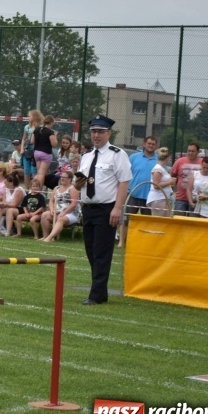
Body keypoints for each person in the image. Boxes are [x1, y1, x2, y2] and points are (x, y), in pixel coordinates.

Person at [74, 114, 132, 305]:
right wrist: (77, 184)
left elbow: (124, 182)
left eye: (100, 132)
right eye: (93, 132)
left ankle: (96, 295)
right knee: (91, 251)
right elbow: (79, 185)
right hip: (88, 208)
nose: (96, 135)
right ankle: (100, 291)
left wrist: (117, 208)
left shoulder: (117, 154)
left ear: (109, 133)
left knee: (101, 252)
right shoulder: (87, 156)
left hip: (107, 208)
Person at [119, 135, 158, 247]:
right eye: (149, 143)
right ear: (144, 144)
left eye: (153, 144)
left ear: (156, 146)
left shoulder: (158, 160)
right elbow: (126, 173)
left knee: (148, 222)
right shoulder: (134, 157)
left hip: (150, 196)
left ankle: (146, 243)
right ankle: (122, 242)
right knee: (125, 219)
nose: (150, 146)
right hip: (133, 193)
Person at [41, 171, 81, 242]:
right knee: (45, 215)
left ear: (70, 179)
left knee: (61, 219)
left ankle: (49, 238)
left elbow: (74, 203)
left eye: (64, 177)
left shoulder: (73, 189)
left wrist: (64, 212)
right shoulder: (56, 188)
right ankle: (45, 236)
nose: (62, 179)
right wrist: (52, 209)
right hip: (57, 211)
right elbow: (51, 201)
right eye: (61, 177)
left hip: (71, 213)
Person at [170, 142, 203, 216]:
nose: (190, 153)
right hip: (181, 198)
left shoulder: (202, 163)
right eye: (189, 151)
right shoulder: (179, 161)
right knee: (179, 221)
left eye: (193, 151)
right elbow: (173, 176)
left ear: (198, 152)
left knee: (193, 223)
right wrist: (176, 188)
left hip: (195, 199)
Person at [146, 146, 173, 217]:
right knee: (158, 222)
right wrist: (169, 182)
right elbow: (156, 185)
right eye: (169, 158)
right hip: (158, 199)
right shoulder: (157, 169)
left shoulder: (162, 169)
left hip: (164, 198)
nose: (169, 160)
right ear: (167, 158)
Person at [31, 114, 58, 187]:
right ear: (52, 122)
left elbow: (32, 141)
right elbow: (54, 144)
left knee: (38, 172)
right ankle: (38, 189)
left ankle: (33, 187)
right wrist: (55, 135)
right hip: (46, 153)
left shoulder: (36, 130)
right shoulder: (50, 132)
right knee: (42, 174)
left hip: (36, 152)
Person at [20, 109, 42, 189]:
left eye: (30, 116)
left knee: (34, 170)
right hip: (27, 151)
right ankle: (27, 188)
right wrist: (22, 148)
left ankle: (35, 187)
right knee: (26, 170)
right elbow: (24, 138)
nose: (28, 117)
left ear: (34, 117)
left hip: (35, 151)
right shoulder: (27, 127)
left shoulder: (40, 127)